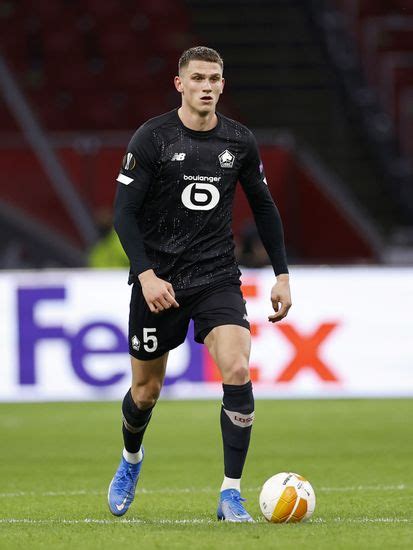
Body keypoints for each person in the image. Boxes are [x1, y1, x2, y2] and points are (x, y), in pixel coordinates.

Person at [108, 46, 291, 522]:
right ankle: (131, 459)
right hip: (159, 283)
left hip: (216, 277)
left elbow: (264, 207)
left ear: (222, 85)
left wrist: (282, 274)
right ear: (180, 84)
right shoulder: (153, 138)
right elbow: (123, 214)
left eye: (214, 79)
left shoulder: (239, 141)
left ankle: (231, 493)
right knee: (145, 393)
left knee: (237, 369)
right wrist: (146, 275)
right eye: (198, 78)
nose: (206, 86)